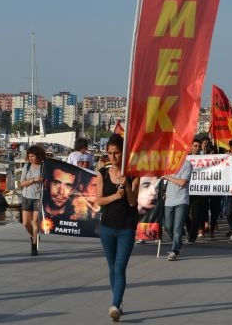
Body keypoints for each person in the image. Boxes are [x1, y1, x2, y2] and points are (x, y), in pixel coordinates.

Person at [94, 134, 138, 322]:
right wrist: (114, 196)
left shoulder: (134, 174)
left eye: (117, 153)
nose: (113, 157)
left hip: (126, 228)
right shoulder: (102, 174)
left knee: (120, 267)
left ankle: (115, 304)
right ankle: (117, 302)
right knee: (112, 268)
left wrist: (126, 184)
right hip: (107, 227)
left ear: (124, 153)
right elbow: (99, 200)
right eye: (110, 153)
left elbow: (133, 201)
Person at [161, 145, 192, 261]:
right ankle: (178, 243)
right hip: (169, 199)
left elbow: (182, 182)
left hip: (181, 200)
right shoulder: (168, 164)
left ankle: (174, 250)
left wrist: (168, 177)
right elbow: (163, 180)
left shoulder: (187, 164)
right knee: (168, 226)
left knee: (177, 228)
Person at [20, 145, 45, 256]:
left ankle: (34, 246)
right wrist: (34, 180)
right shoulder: (27, 167)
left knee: (35, 222)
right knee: (26, 223)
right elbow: (22, 183)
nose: (30, 158)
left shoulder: (44, 167)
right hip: (26, 197)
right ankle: (34, 236)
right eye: (29, 156)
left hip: (38, 198)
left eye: (32, 156)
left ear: (39, 156)